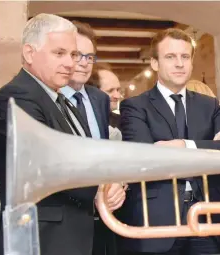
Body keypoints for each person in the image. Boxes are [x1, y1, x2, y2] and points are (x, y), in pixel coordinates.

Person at [0, 13, 119, 255]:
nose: (71, 63)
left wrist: (114, 183)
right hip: (40, 240)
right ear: (29, 53)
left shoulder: (64, 101)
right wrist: (102, 188)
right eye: (59, 53)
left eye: (73, 54)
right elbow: (49, 166)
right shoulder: (16, 96)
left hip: (75, 238)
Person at [117, 28, 220, 255]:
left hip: (207, 220)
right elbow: (147, 159)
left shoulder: (209, 105)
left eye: (185, 57)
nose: (179, 64)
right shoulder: (135, 107)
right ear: (154, 63)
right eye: (170, 57)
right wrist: (208, 148)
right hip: (157, 222)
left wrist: (184, 146)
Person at [61, 20, 125, 255]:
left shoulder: (99, 99)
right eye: (77, 55)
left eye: (90, 57)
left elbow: (107, 153)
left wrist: (119, 184)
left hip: (104, 220)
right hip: (66, 221)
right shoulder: (50, 98)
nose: (84, 63)